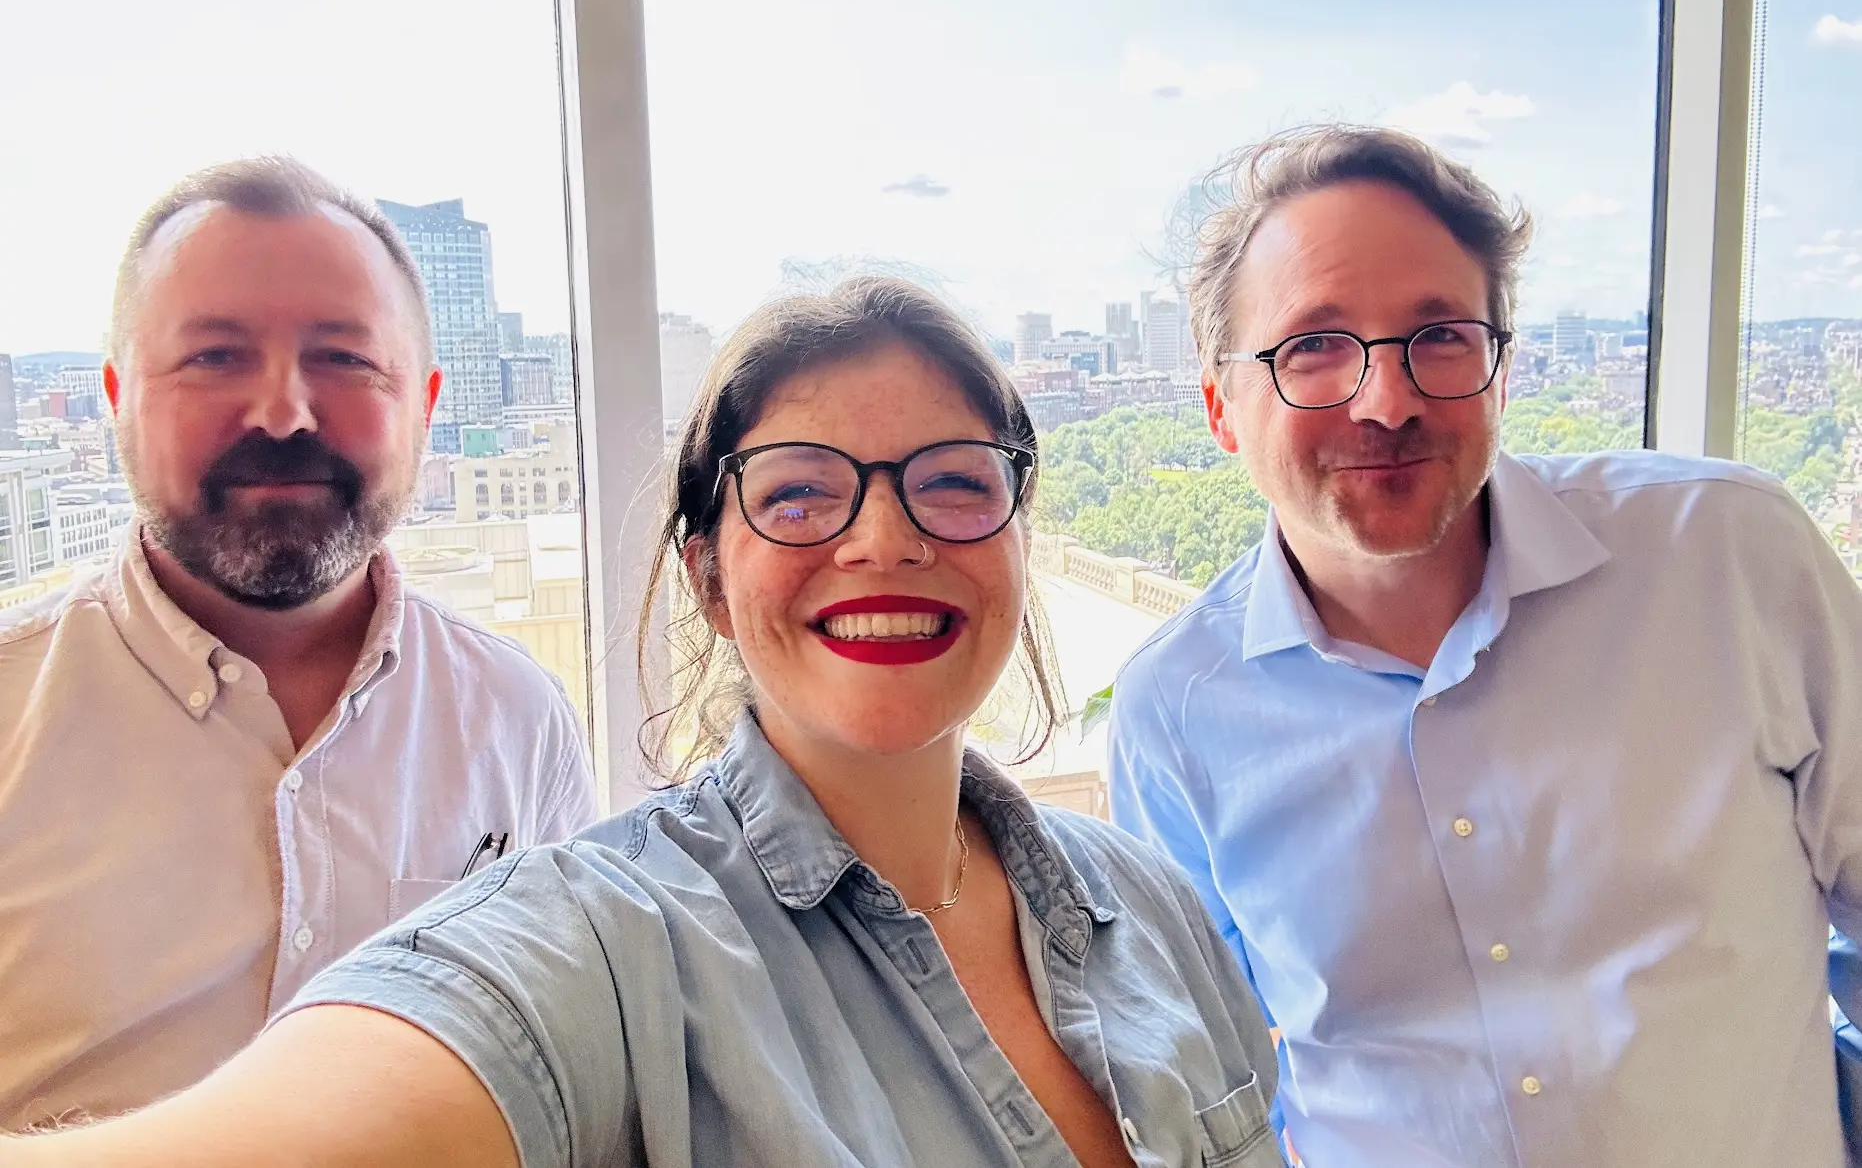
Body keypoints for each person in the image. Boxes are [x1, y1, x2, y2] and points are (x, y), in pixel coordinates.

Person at [1, 276, 1287, 1168]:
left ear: (1015, 538)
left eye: (953, 485)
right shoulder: (611, 948)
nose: (883, 539)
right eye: (795, 496)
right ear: (708, 578)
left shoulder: (1143, 903)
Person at [1106, 122, 1862, 1167]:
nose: (1386, 400)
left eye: (1441, 336)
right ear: (1218, 408)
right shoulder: (1174, 716)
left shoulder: (1726, 558)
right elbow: (1208, 1083)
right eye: (1312, 346)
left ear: (1500, 372)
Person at [0, 157, 598, 1130]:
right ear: (115, 396)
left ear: (426, 403)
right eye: (215, 356)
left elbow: (571, 1073)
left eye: (346, 359)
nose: (283, 411)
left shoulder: (516, 717)